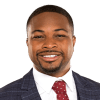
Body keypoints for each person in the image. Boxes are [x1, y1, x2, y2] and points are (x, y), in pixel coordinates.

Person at [0, 3, 100, 100]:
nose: (49, 45)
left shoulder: (97, 91)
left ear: (73, 42)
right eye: (38, 36)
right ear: (28, 43)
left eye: (59, 35)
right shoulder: (4, 95)